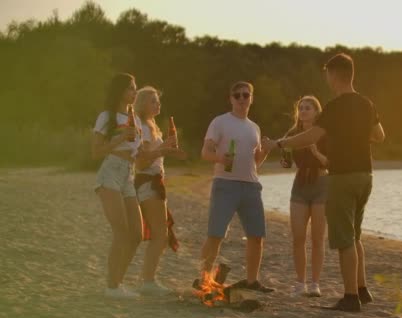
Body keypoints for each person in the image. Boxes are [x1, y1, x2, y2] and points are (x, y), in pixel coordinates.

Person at [263, 53, 386, 311]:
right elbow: (379, 136)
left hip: (342, 177)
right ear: (351, 74)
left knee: (344, 240)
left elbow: (310, 137)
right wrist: (356, 135)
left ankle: (350, 297)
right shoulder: (367, 104)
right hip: (366, 175)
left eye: (327, 75)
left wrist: (279, 144)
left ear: (333, 75)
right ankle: (363, 290)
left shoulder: (335, 107)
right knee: (355, 235)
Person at [199, 81, 274, 292]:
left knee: (257, 235)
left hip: (251, 185)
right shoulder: (220, 122)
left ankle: (252, 281)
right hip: (225, 184)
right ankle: (204, 280)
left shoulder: (255, 127)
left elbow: (255, 162)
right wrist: (220, 158)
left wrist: (266, 151)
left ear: (251, 98)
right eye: (237, 95)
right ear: (231, 99)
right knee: (216, 234)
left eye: (246, 95)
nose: (242, 99)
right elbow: (205, 153)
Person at [91, 73, 143, 299]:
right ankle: (112, 287)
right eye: (131, 88)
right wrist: (121, 138)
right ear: (120, 90)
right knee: (121, 231)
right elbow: (95, 152)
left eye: (135, 88)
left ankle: (117, 283)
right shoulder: (107, 116)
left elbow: (139, 154)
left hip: (128, 175)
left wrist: (164, 150)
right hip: (110, 172)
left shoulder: (136, 119)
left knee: (137, 235)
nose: (134, 92)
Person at [133, 86, 186, 296]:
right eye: (153, 101)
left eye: (158, 101)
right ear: (143, 104)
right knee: (160, 235)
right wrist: (164, 149)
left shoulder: (151, 125)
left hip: (155, 182)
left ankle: (148, 279)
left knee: (159, 234)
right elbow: (143, 162)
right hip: (148, 183)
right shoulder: (144, 128)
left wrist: (169, 149)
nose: (158, 104)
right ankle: (148, 281)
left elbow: (156, 155)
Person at [282, 96, 328, 297]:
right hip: (299, 186)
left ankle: (315, 283)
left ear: (317, 112)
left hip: (321, 185)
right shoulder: (293, 133)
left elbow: (330, 163)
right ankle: (300, 283)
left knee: (318, 239)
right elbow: (286, 160)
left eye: (308, 108)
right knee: (298, 238)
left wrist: (316, 152)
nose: (303, 111)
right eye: (301, 108)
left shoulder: (324, 134)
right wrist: (285, 159)